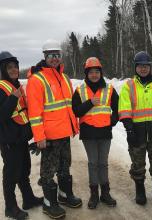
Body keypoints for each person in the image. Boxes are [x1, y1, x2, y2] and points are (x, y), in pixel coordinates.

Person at [26, 39, 82, 219]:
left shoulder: (64, 78)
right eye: (51, 55)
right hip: (49, 136)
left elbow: (69, 105)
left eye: (57, 55)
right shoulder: (37, 80)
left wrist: (74, 126)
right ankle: (49, 203)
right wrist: (39, 137)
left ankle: (65, 195)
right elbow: (34, 112)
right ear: (45, 57)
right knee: (48, 171)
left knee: (65, 166)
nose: (54, 58)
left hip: (65, 133)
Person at [118, 51, 152, 205]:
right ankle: (140, 190)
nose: (143, 69)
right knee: (138, 164)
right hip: (137, 132)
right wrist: (129, 129)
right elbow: (124, 108)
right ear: (136, 67)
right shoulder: (129, 85)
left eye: (146, 66)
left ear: (150, 67)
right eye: (140, 66)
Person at [0, 51, 43, 220]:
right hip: (9, 141)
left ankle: (28, 199)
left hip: (21, 138)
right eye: (9, 67)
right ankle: (10, 207)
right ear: (3, 69)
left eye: (15, 67)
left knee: (24, 170)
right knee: (10, 175)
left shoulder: (16, 85)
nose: (14, 70)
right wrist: (12, 98)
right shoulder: (2, 87)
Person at [72, 57, 118, 209]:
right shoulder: (80, 90)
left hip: (105, 132)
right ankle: (94, 194)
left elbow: (118, 108)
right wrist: (90, 102)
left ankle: (105, 193)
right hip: (88, 133)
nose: (94, 75)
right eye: (91, 72)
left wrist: (112, 121)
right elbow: (76, 111)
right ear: (86, 73)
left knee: (103, 163)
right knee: (93, 163)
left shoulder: (109, 89)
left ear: (100, 73)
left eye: (97, 72)